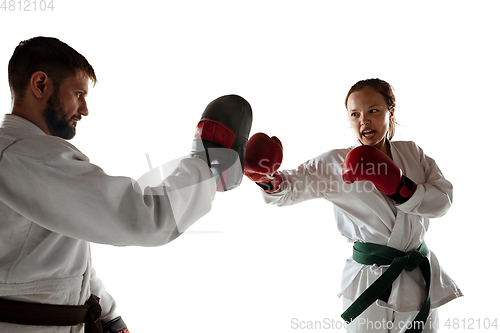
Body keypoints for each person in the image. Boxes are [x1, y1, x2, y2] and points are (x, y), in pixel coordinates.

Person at [0, 36, 252, 333]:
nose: (84, 109)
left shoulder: (19, 154)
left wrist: (108, 315)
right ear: (40, 85)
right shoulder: (27, 157)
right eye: (78, 93)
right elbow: (145, 219)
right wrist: (205, 164)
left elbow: (60, 256)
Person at [244, 78, 463, 332]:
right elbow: (290, 187)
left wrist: (401, 187)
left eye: (373, 111)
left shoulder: (413, 153)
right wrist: (266, 178)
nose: (364, 121)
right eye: (355, 114)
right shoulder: (336, 162)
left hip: (417, 276)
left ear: (390, 112)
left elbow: (443, 201)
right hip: (369, 280)